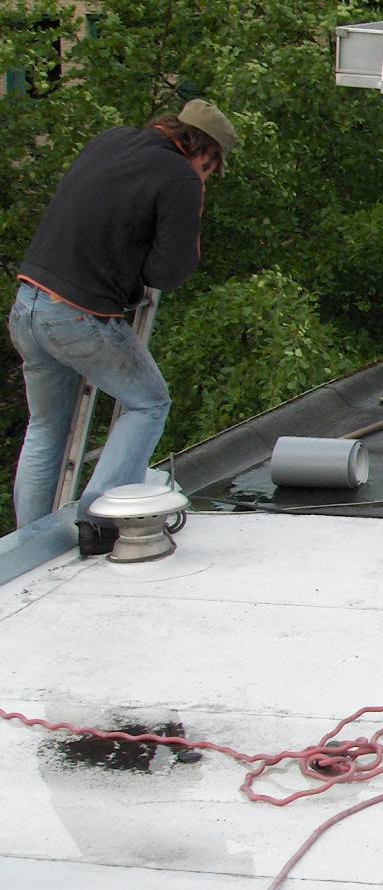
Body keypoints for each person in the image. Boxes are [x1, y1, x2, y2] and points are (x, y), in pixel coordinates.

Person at [9, 100, 237, 553]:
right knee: (148, 403)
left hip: (27, 305)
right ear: (206, 154)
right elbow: (170, 271)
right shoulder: (181, 178)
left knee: (45, 427)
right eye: (211, 170)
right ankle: (99, 522)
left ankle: (27, 546)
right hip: (76, 316)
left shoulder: (110, 140)